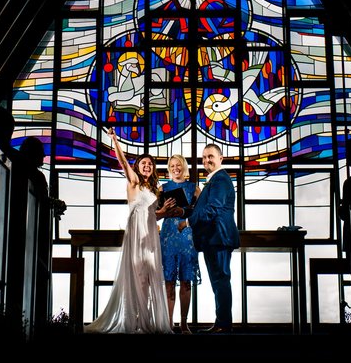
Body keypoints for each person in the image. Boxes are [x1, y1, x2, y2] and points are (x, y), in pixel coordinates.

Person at [84, 128, 177, 334]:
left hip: (151, 233)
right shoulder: (133, 182)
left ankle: (145, 322)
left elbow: (155, 215)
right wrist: (116, 141)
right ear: (138, 167)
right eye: (144, 163)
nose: (147, 166)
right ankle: (132, 321)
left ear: (153, 169)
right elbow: (123, 163)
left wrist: (165, 210)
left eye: (150, 164)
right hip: (136, 234)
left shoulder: (155, 190)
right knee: (137, 276)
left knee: (150, 277)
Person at [181, 143, 239, 334]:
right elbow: (204, 207)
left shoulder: (221, 179)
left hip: (218, 238)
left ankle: (223, 325)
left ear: (221, 158)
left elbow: (212, 209)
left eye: (211, 156)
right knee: (218, 281)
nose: (207, 160)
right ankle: (221, 323)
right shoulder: (215, 180)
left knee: (221, 280)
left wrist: (187, 222)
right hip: (213, 239)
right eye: (204, 157)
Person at [159, 154, 201, 334]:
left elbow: (201, 212)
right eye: (172, 165)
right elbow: (155, 212)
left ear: (184, 167)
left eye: (179, 165)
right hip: (168, 236)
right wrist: (164, 209)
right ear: (169, 168)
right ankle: (168, 323)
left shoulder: (194, 188)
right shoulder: (163, 188)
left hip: (187, 236)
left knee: (185, 281)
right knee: (169, 281)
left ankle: (184, 323)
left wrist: (185, 211)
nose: (176, 168)